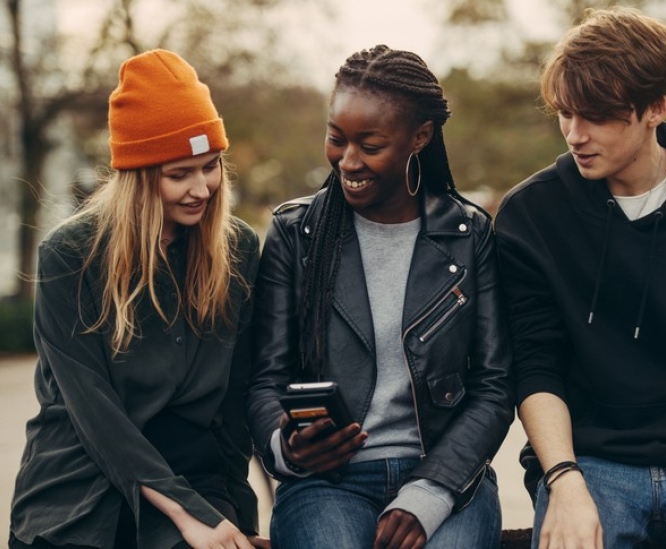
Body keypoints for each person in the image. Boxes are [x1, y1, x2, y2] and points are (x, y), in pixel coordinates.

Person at [494, 6, 666, 548]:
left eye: (596, 115)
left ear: (656, 108)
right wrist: (563, 480)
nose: (574, 135)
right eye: (565, 114)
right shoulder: (532, 215)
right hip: (592, 463)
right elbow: (534, 362)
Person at [245, 44, 515, 549]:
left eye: (370, 144)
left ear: (420, 136)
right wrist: (290, 447)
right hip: (328, 485)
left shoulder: (468, 232)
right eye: (336, 139)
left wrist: (431, 492)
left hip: (446, 476)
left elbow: (495, 387)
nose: (348, 160)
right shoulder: (295, 232)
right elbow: (265, 379)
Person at [9, 49, 269, 548]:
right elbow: (93, 410)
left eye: (211, 166)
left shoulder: (237, 249)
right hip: (80, 481)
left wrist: (234, 513)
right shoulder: (70, 255)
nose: (202, 189)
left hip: (195, 473)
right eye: (180, 173)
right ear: (140, 175)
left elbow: (234, 403)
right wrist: (188, 513)